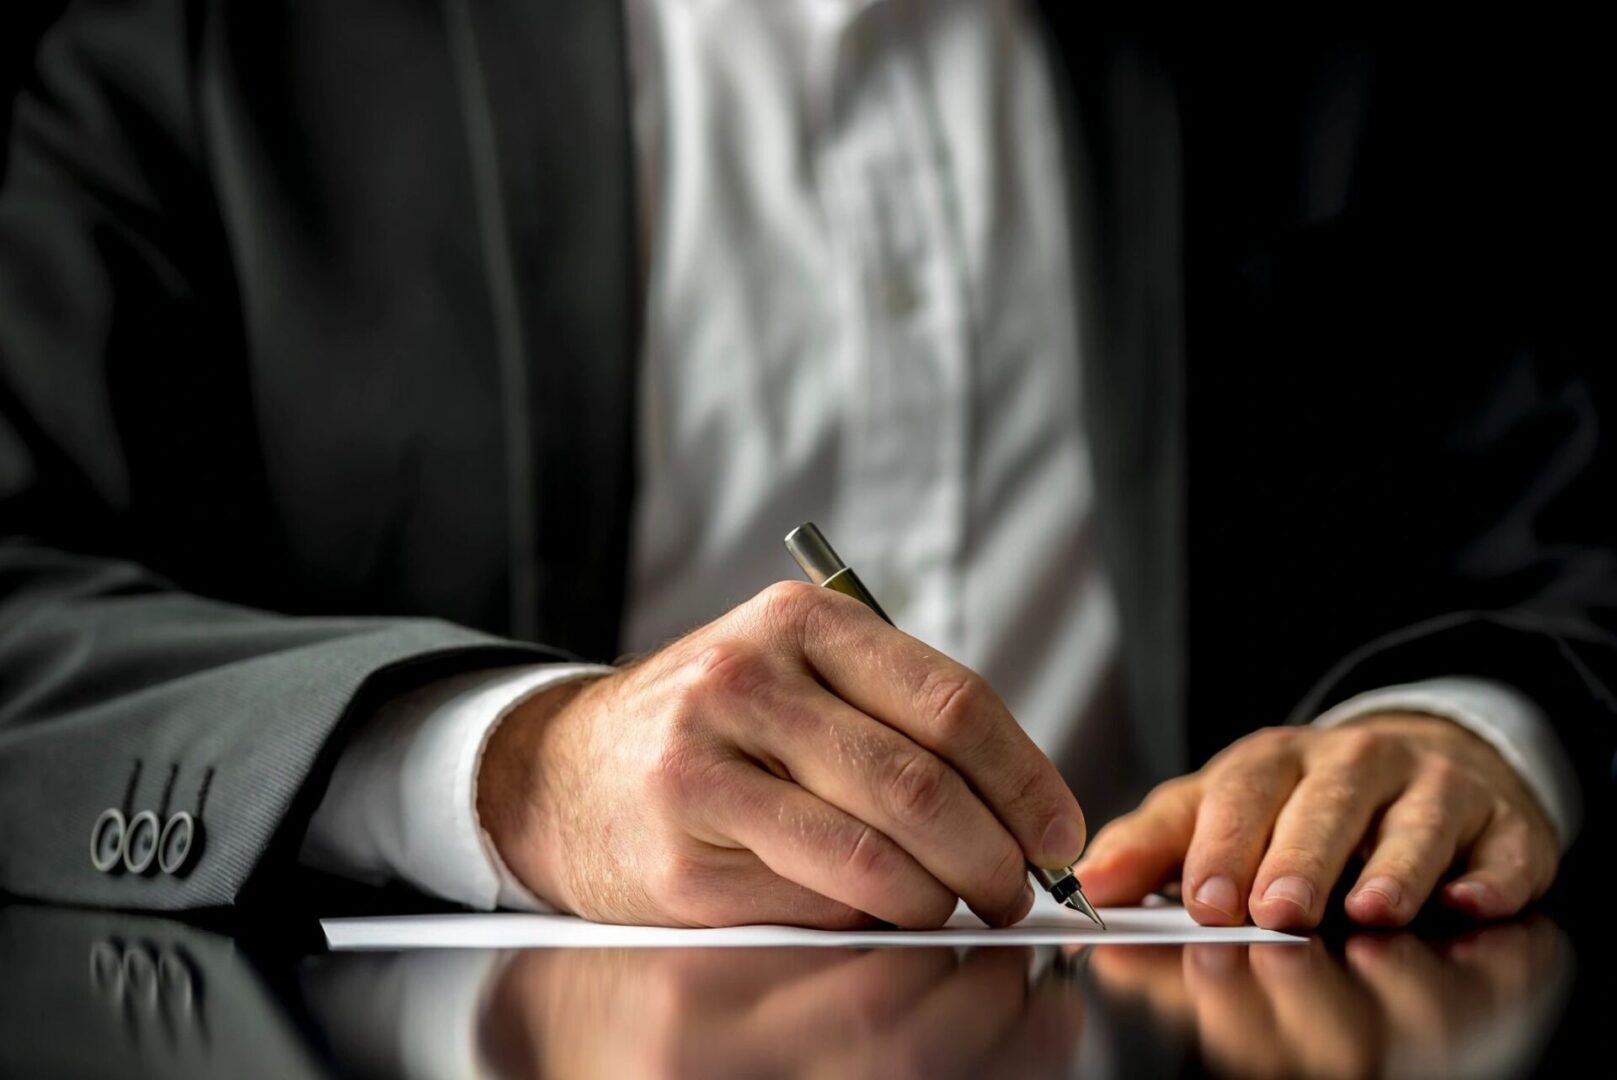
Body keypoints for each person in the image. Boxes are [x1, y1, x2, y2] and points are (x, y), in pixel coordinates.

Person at [0, 1, 1610, 930]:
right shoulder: (186, 49)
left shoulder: (1364, 42)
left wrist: (1464, 729)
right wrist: (514, 770)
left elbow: (1552, 529)